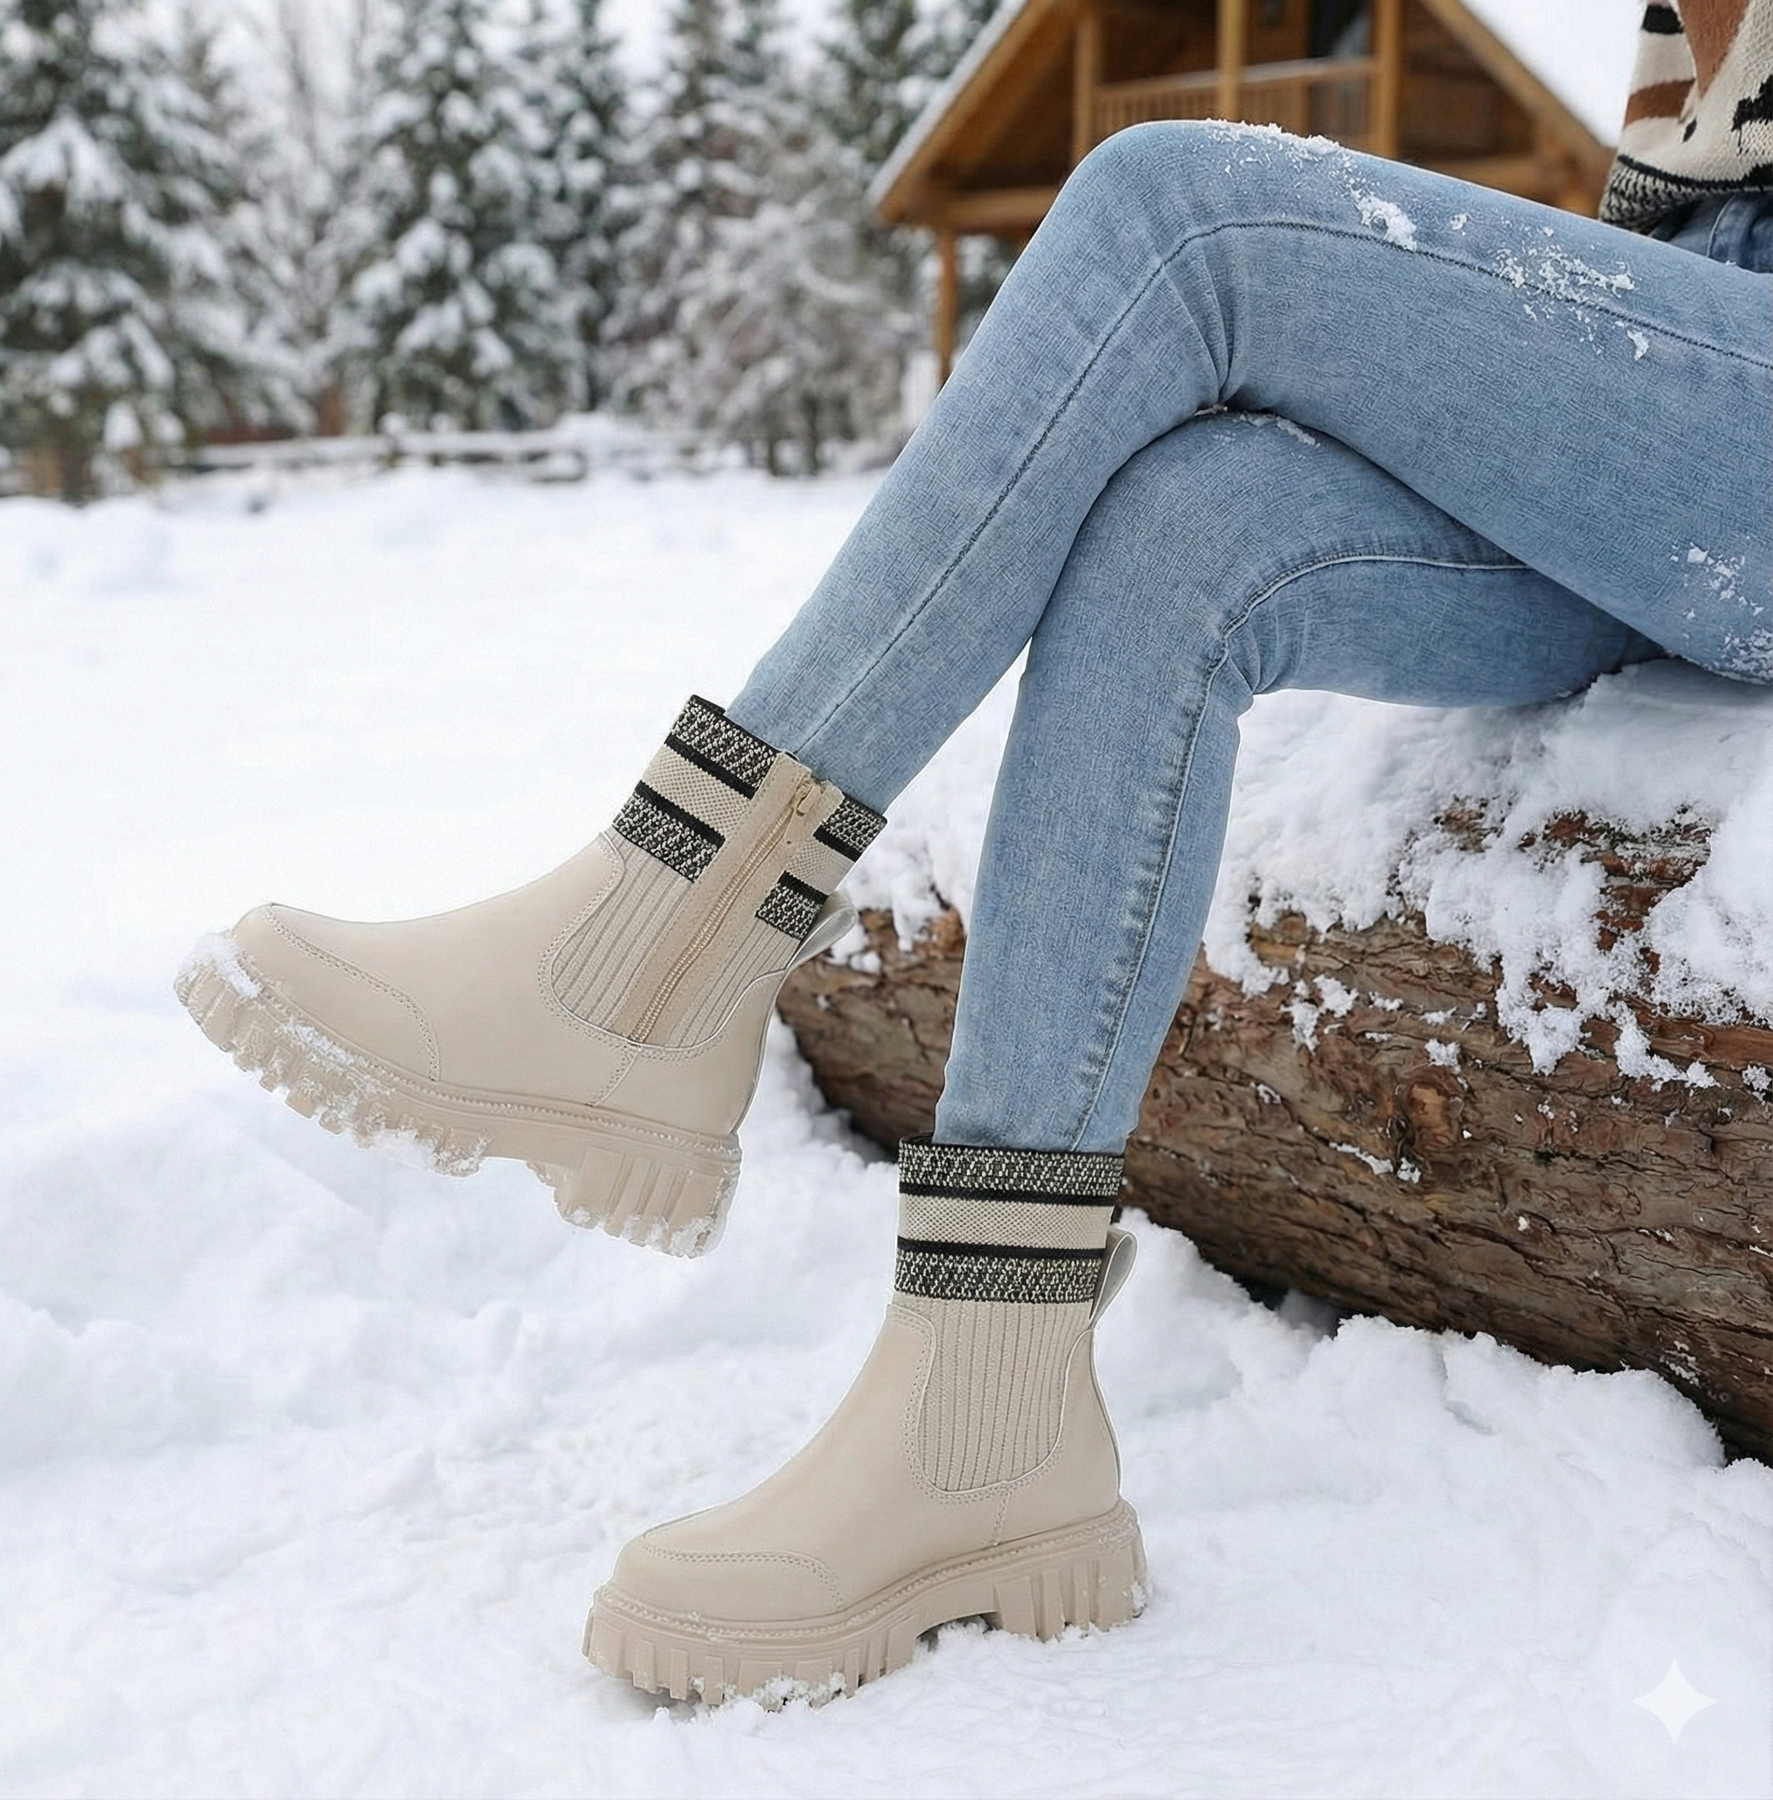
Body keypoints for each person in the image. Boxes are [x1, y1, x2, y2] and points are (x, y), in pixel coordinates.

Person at [177, 0, 1772, 1705]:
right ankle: (986, 1405)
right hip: (1685, 373)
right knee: (1184, 529)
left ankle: (659, 939)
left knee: (1179, 212)